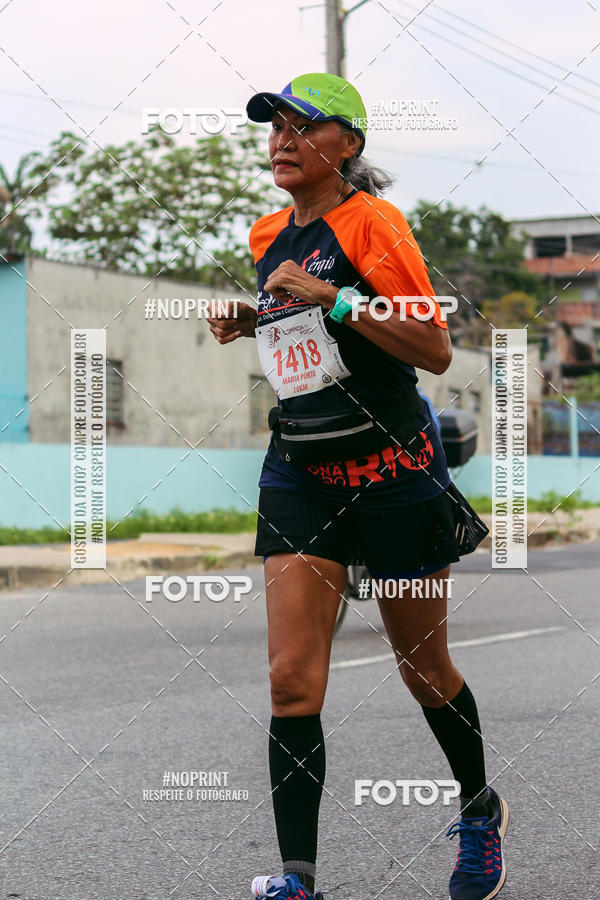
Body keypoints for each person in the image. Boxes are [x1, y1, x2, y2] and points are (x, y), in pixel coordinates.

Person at [208, 72, 508, 900]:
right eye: (273, 127)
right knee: (291, 677)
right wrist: (252, 320)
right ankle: (298, 878)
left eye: (303, 127)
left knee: (422, 665)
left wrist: (332, 296)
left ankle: (480, 812)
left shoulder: (374, 223)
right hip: (302, 470)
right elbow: (301, 334)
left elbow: (432, 346)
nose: (281, 140)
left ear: (348, 144)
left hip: (393, 474)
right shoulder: (269, 230)